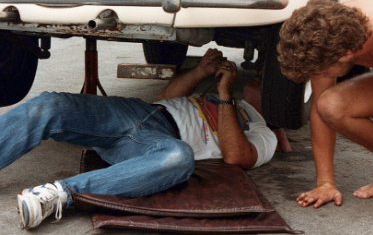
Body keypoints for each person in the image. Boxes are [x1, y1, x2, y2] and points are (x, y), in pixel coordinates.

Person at [0, 48, 277, 230]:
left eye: (262, 80)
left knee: (179, 159)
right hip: (141, 112)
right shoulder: (217, 97)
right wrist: (200, 72)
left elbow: (237, 156)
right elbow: (168, 98)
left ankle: (60, 194)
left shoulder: (262, 131)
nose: (255, 81)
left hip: (158, 143)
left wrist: (227, 94)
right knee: (51, 105)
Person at [277, 0, 373, 232]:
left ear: (346, 54)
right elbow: (320, 110)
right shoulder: (327, 31)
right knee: (330, 105)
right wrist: (325, 182)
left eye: (320, 71)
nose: (318, 75)